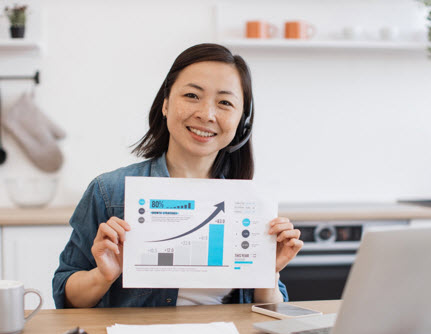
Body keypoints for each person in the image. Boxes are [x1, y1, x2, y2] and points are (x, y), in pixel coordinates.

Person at [52, 43, 303, 308]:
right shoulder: (109, 192)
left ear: (242, 121)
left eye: (225, 103)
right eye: (192, 96)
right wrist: (102, 275)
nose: (206, 114)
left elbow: (273, 311)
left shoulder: (250, 205)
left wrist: (267, 273)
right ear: (165, 104)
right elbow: (66, 297)